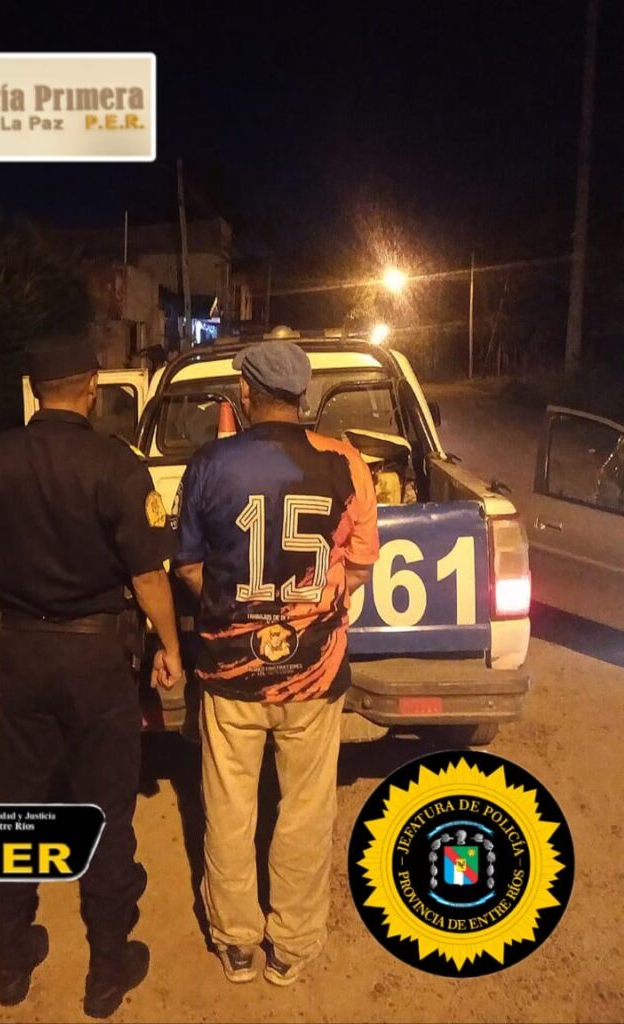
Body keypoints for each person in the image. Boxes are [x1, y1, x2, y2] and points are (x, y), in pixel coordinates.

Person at [0, 335, 182, 1017]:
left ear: (34, 390)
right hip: (97, 660)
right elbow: (147, 576)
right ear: (91, 387)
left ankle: (12, 960)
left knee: (13, 810)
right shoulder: (116, 464)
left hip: (22, 653)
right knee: (105, 812)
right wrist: (169, 644)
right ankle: (106, 972)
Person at [173, 340, 380, 987]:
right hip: (315, 675)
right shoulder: (347, 462)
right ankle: (291, 945)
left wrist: (235, 607)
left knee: (228, 807)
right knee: (306, 811)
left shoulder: (209, 464)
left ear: (245, 394)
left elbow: (188, 567)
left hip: (230, 674)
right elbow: (360, 564)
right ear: (304, 397)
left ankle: (236, 942)